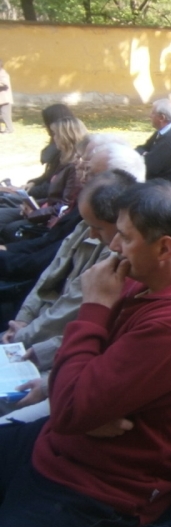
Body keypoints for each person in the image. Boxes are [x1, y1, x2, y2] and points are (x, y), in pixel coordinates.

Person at [0, 180, 171, 527]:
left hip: (98, 490)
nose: (113, 246)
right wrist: (72, 396)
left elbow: (71, 407)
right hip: (64, 447)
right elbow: (79, 390)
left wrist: (94, 308)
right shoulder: (152, 282)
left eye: (124, 237)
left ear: (165, 248)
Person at [0, 169, 142, 414]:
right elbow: (50, 274)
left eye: (97, 227)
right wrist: (23, 318)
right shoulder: (88, 226)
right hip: (40, 335)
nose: (90, 232)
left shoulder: (119, 257)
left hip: (57, 350)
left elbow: (74, 308)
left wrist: (24, 338)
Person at [0, 117, 87, 243]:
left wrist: (34, 213)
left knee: (9, 227)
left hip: (51, 217)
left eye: (55, 134)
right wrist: (32, 204)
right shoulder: (63, 158)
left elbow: (65, 206)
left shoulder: (76, 167)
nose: (53, 138)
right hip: (44, 208)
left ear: (65, 136)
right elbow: (52, 194)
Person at [0, 59, 12, 134]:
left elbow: (5, 84)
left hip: (5, 99)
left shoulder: (3, 74)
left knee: (5, 116)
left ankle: (9, 129)